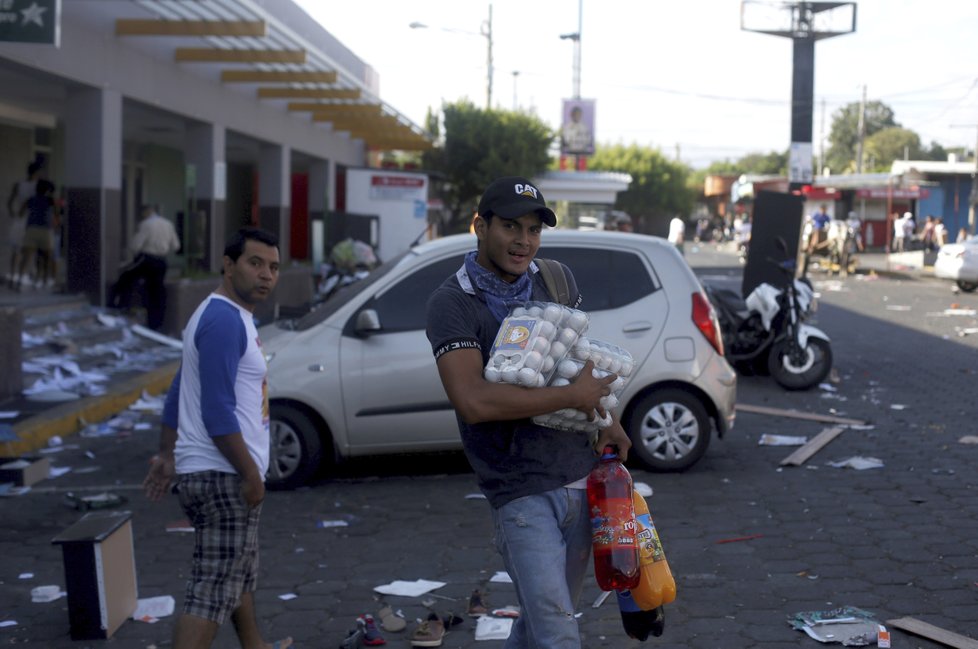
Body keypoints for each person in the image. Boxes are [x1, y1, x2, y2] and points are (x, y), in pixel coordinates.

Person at [425, 176, 631, 649]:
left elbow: (579, 365)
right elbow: (474, 403)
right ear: (480, 226)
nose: (523, 241)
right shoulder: (453, 303)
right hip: (518, 488)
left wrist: (609, 420)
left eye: (534, 230)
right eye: (511, 227)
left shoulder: (555, 279)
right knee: (558, 628)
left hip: (579, 475)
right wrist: (572, 397)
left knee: (538, 625)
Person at [142, 227, 291, 649]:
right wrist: (250, 474)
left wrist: (167, 453)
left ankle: (255, 645)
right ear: (229, 265)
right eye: (255, 263)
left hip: (209, 471)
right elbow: (216, 411)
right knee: (210, 591)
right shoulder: (223, 319)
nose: (266, 274)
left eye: (274, 267)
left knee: (236, 570)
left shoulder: (227, 315)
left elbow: (178, 390)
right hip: (222, 475)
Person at [110, 204, 181, 330]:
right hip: (162, 261)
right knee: (157, 290)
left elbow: (135, 245)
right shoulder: (168, 224)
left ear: (146, 212)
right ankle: (156, 322)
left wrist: (131, 253)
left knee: (126, 277)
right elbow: (176, 246)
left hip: (147, 258)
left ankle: (119, 305)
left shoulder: (146, 224)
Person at [6, 159, 43, 288]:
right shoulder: (38, 186)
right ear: (37, 172)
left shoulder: (19, 184)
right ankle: (22, 278)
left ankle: (12, 277)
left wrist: (13, 213)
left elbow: (10, 201)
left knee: (16, 250)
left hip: (19, 220)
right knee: (28, 251)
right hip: (31, 220)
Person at [17, 179, 56, 289]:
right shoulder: (50, 200)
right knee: (45, 257)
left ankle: (20, 280)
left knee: (27, 256)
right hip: (45, 230)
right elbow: (56, 214)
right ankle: (43, 279)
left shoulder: (31, 199)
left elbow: (21, 212)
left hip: (32, 229)